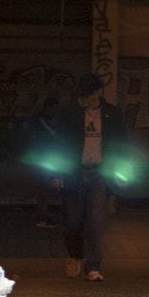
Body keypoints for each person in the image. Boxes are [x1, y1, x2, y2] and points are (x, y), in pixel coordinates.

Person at [54, 73, 114, 282]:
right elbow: (60, 144)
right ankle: (75, 255)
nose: (83, 100)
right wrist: (58, 172)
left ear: (98, 93)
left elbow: (120, 143)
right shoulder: (71, 114)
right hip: (75, 172)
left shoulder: (111, 114)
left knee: (96, 221)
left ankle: (93, 265)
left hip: (100, 173)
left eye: (88, 95)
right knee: (72, 220)